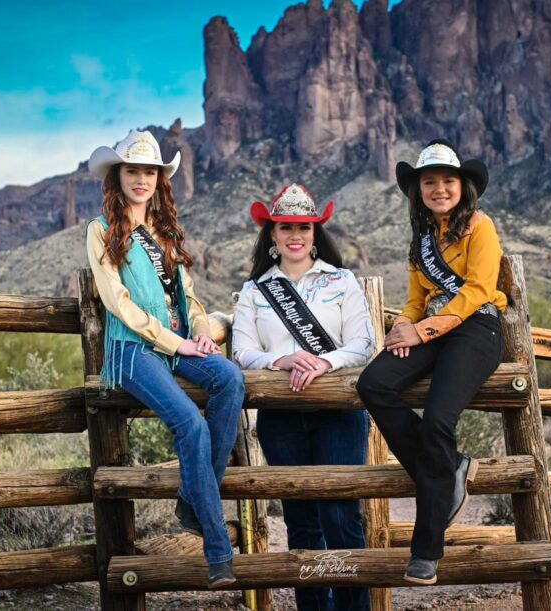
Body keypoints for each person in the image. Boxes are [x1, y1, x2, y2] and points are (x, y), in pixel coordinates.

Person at [85, 129, 244, 588]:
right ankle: (218, 552)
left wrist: (198, 332)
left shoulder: (166, 231)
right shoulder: (100, 231)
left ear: (159, 179)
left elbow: (188, 297)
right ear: (118, 176)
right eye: (132, 170)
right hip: (132, 349)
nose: (141, 179)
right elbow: (117, 301)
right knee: (190, 424)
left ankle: (193, 502)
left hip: (177, 343)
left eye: (149, 172)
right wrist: (177, 344)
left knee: (230, 378)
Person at [356, 140, 506, 585]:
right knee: (374, 383)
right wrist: (401, 327)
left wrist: (420, 330)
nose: (439, 189)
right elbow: (417, 299)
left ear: (463, 186)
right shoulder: (421, 240)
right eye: (429, 182)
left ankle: (426, 550)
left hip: (476, 329)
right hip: (432, 330)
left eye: (447, 180)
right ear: (418, 189)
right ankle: (449, 468)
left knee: (439, 419)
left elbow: (479, 290)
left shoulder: (481, 227)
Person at [231, 184, 374, 610]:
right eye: (286, 227)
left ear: (315, 233)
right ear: (272, 235)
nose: (296, 234)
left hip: (338, 412)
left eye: (304, 227)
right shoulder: (255, 291)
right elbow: (242, 352)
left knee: (340, 516)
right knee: (301, 521)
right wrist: (284, 359)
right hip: (282, 417)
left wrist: (324, 362)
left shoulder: (341, 281)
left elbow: (363, 342)